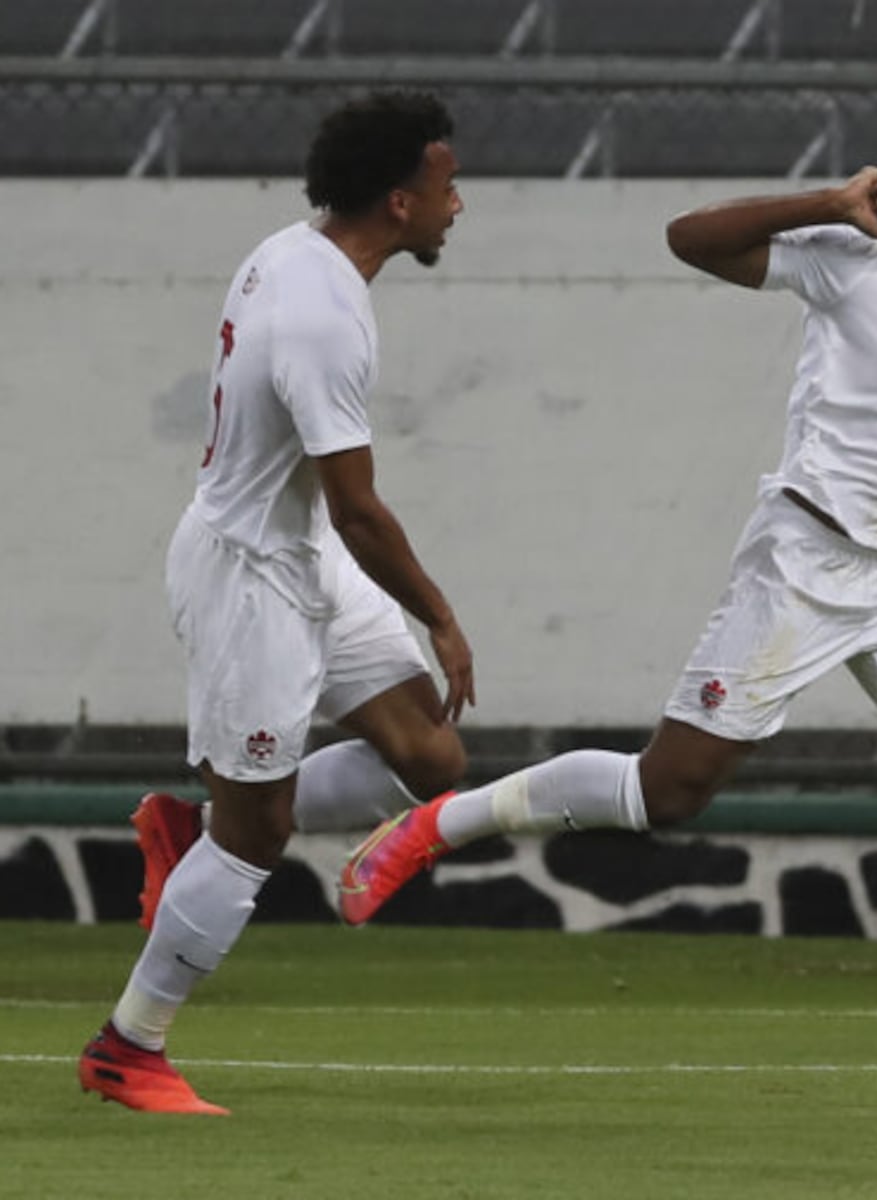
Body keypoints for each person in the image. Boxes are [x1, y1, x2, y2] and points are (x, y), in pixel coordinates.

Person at [337, 127, 877, 1102]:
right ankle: (440, 824)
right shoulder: (855, 262)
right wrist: (826, 201)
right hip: (801, 561)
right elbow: (688, 237)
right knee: (669, 792)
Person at [78, 90, 475, 1115]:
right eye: (445, 185)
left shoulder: (297, 252)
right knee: (255, 836)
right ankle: (130, 1046)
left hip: (298, 556)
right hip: (249, 575)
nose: (457, 204)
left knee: (430, 756)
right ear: (397, 200)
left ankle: (198, 826)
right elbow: (357, 508)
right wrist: (439, 614)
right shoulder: (322, 315)